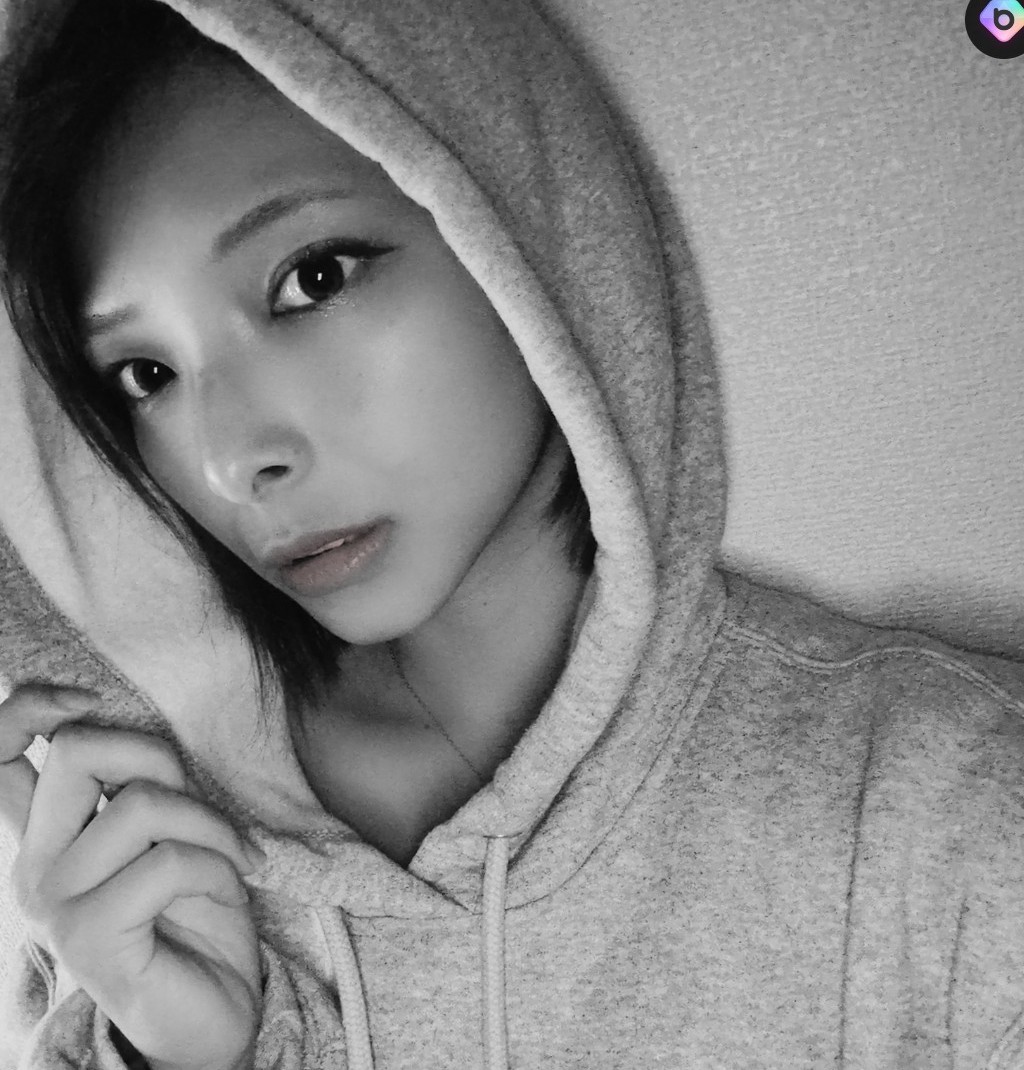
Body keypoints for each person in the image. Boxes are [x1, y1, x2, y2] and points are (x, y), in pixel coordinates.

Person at [0, 0, 1022, 1067]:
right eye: (146, 375)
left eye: (313, 278)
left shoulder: (950, 820)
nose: (228, 460)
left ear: (527, 240)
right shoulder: (134, 863)